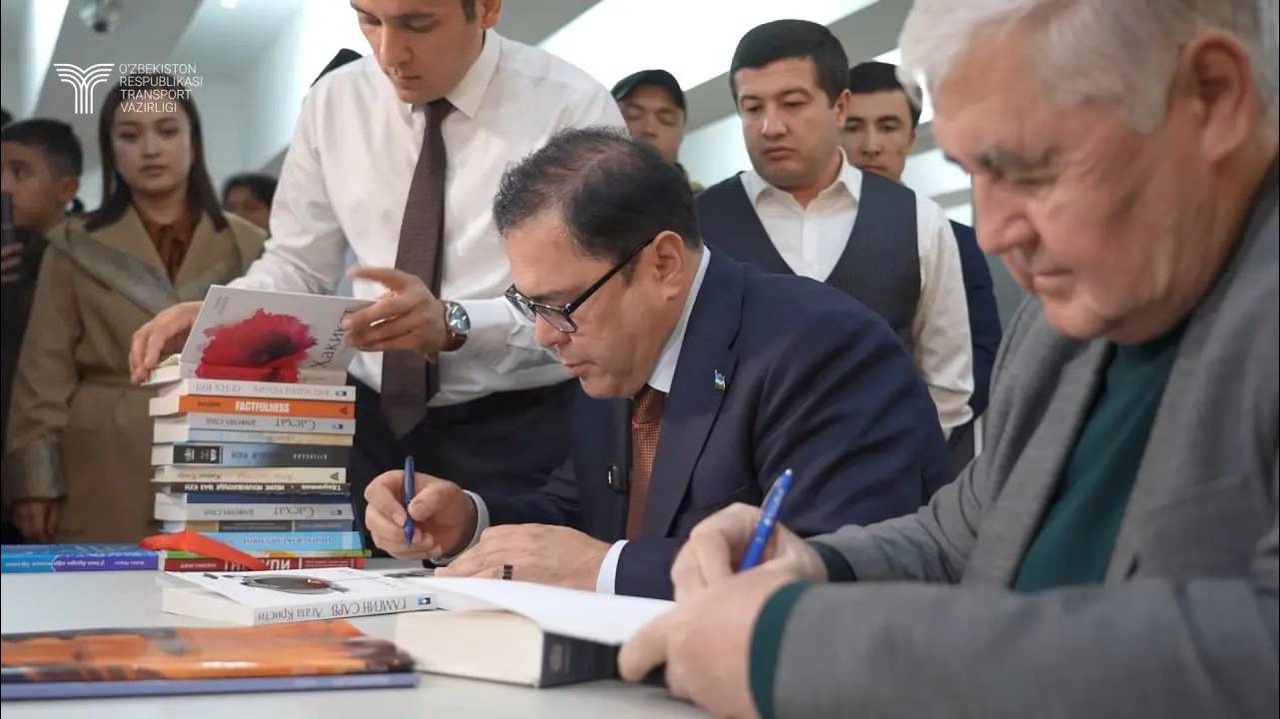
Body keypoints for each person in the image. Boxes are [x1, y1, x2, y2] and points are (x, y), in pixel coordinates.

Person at [618, 0, 1279, 715]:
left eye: (1029, 170)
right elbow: (964, 534)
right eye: (973, 172)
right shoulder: (1067, 323)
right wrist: (813, 561)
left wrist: (794, 645)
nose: (991, 233)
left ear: (1213, 96)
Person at [363, 127, 952, 599]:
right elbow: (578, 511)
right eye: (531, 305)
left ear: (664, 264)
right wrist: (469, 523)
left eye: (560, 305)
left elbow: (830, 567)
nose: (544, 334)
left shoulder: (822, 350)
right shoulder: (612, 353)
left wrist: (603, 569)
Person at [128, 0, 626, 536]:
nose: (390, 53)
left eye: (418, 24)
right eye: (369, 19)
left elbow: (595, 296)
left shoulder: (570, 106)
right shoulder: (334, 103)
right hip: (365, 421)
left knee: (505, 583)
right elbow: (299, 263)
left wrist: (456, 323)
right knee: (354, 584)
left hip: (522, 425)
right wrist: (226, 314)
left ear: (486, 9)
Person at [2, 75, 266, 543]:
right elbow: (43, 370)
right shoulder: (73, 243)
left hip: (220, 443)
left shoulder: (250, 244)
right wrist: (36, 482)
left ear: (193, 140)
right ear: (111, 149)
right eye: (129, 134)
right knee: (102, 586)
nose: (150, 149)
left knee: (216, 581)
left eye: (167, 130)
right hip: (100, 455)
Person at [696, 20, 974, 436]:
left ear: (840, 107)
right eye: (753, 108)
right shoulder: (698, 224)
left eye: (792, 103)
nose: (771, 126)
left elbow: (947, 381)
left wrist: (903, 457)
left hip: (885, 467)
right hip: (738, 470)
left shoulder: (917, 219)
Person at [844, 60, 1002, 423]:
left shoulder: (957, 242)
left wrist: (917, 435)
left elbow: (979, 363)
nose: (871, 146)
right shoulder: (802, 236)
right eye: (853, 127)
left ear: (910, 139)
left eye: (888, 127)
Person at [0, 119, 83, 545]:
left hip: (74, 456)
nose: (4, 187)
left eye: (19, 173)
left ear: (66, 189)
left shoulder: (89, 256)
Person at [612, 69, 702, 191]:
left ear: (681, 135)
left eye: (666, 119)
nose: (649, 129)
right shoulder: (585, 198)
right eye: (633, 114)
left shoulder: (706, 200)